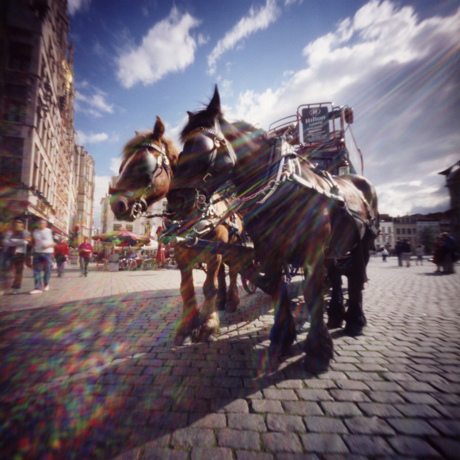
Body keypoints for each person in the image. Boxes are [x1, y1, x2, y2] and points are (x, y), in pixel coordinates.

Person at [2, 217, 31, 294]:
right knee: (6, 269)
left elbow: (25, 242)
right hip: (9, 253)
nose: (17, 223)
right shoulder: (9, 232)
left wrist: (12, 241)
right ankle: (4, 286)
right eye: (16, 222)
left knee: (19, 271)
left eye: (19, 222)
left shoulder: (25, 232)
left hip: (20, 253)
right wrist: (18, 241)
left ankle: (16, 287)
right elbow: (5, 242)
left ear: (22, 224)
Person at [30, 218, 55, 294]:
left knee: (47, 269)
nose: (41, 224)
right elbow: (32, 242)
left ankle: (46, 283)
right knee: (36, 270)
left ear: (46, 224)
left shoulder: (50, 232)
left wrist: (48, 245)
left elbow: (56, 242)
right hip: (37, 252)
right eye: (39, 223)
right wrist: (31, 244)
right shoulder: (35, 232)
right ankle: (38, 288)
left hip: (47, 253)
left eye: (42, 223)